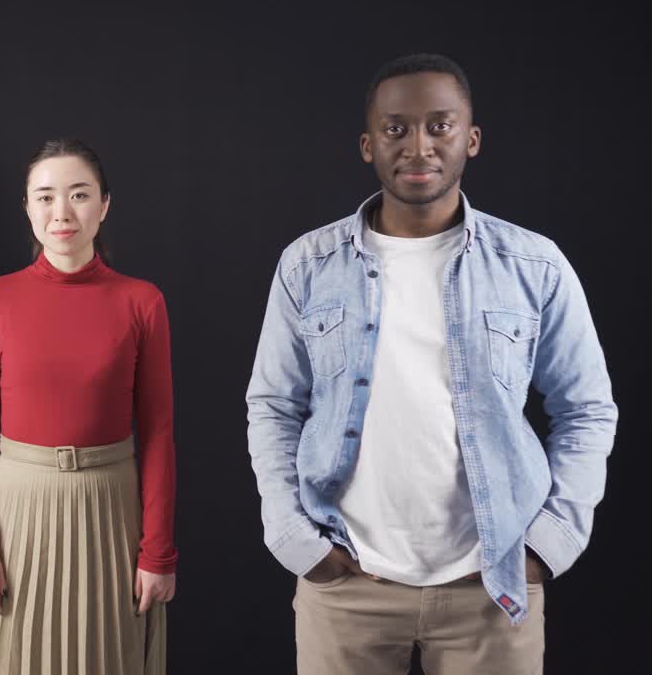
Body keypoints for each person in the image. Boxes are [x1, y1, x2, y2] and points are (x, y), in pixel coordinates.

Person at [245, 53, 618, 674]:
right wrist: (294, 539)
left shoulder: (535, 266)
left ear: (471, 139)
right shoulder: (308, 265)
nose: (418, 145)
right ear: (368, 144)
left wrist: (547, 546)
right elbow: (274, 406)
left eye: (439, 126)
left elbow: (586, 409)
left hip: (493, 585)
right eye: (397, 129)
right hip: (347, 583)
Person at [0, 138, 176, 675]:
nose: (62, 212)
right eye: (45, 197)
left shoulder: (141, 301)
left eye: (79, 195)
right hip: (20, 508)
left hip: (110, 506)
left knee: (108, 655)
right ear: (28, 209)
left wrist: (157, 553)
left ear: (104, 205)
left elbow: (158, 432)